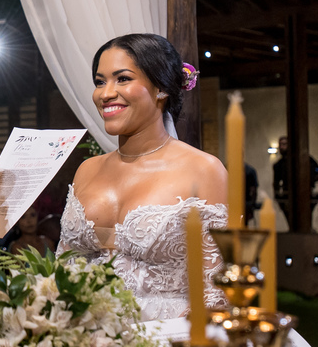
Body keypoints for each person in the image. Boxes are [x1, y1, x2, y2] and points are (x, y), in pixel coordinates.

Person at [59, 33, 228, 321]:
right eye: (100, 82)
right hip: (81, 346)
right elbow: (61, 268)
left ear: (161, 88)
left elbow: (215, 292)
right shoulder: (87, 170)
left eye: (122, 79)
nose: (106, 93)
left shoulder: (204, 170)